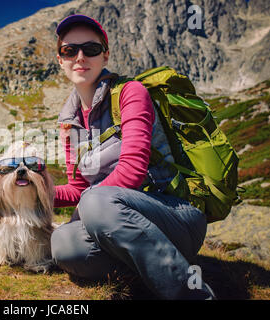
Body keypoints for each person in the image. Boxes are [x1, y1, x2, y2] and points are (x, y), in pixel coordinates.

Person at [51, 14, 216, 300]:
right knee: (63, 244)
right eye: (69, 50)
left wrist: (85, 208)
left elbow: (132, 171)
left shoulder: (131, 92)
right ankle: (151, 275)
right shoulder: (69, 121)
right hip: (113, 220)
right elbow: (77, 189)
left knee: (94, 202)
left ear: (105, 56)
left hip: (174, 214)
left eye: (90, 49)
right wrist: (26, 190)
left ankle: (192, 294)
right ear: (60, 59)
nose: (80, 57)